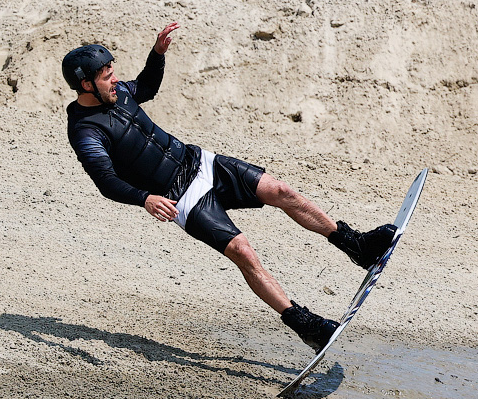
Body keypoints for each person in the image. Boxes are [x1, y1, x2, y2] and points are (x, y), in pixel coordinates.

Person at [62, 23, 396, 352]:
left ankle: (357, 246)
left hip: (200, 161)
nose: (115, 79)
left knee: (282, 192)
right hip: (183, 197)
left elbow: (146, 87)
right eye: (107, 76)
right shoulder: (84, 131)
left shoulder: (118, 93)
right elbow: (105, 181)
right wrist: (145, 198)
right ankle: (304, 325)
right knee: (243, 252)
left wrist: (157, 54)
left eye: (112, 72)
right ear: (86, 84)